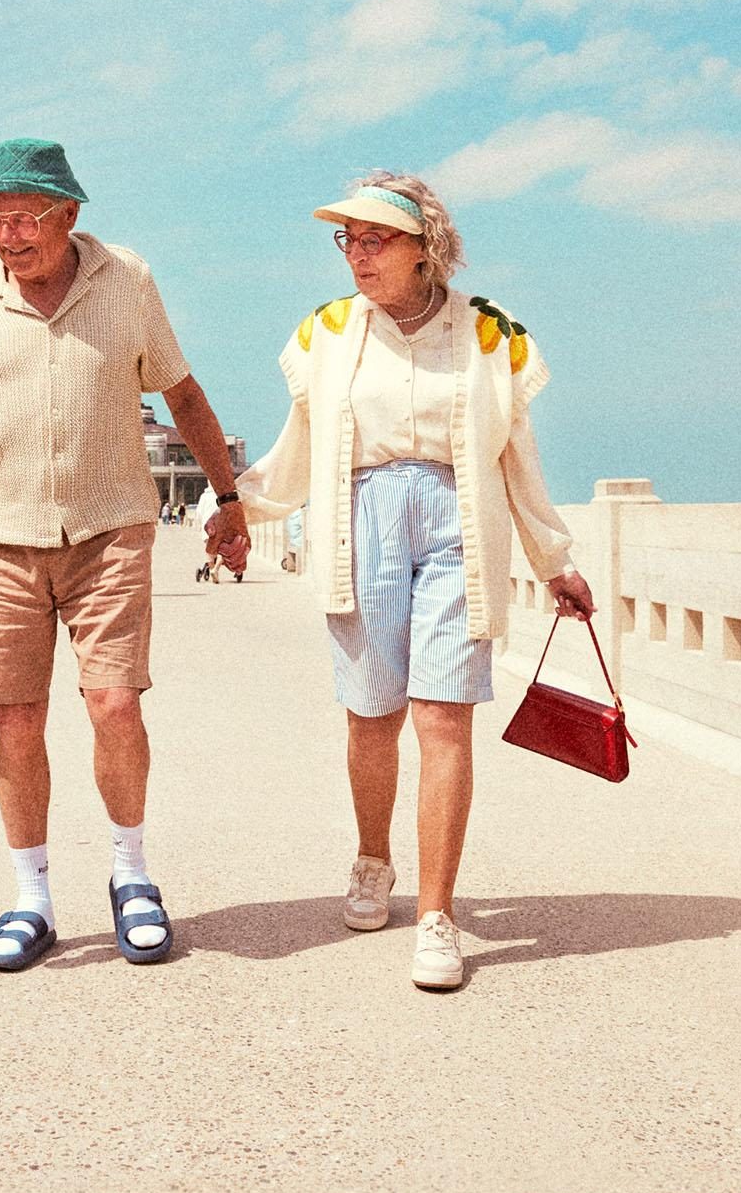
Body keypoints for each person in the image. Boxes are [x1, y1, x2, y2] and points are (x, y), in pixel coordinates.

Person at [0, 138, 249, 971]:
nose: (7, 235)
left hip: (110, 527)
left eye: (23, 217)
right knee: (16, 717)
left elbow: (183, 392)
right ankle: (32, 897)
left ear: (69, 214)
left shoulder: (125, 280)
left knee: (114, 704)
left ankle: (132, 877)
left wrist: (229, 500)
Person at [237, 170, 593, 991]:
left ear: (424, 246)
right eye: (347, 239)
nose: (356, 255)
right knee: (372, 712)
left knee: (444, 718)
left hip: (458, 518)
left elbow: (517, 455)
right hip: (362, 516)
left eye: (374, 239)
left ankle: (437, 914)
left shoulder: (489, 333)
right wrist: (240, 509)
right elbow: (302, 442)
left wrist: (555, 559)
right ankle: (372, 859)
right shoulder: (327, 331)